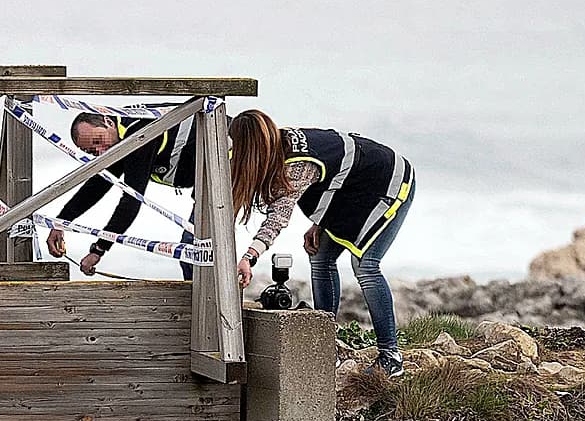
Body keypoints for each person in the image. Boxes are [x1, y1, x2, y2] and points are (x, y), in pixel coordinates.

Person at [229, 109, 415, 378]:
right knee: (320, 256)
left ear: (250, 149)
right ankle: (326, 346)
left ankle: (391, 356)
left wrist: (249, 257)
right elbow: (335, 175)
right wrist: (321, 220)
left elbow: (279, 217)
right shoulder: (276, 146)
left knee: (365, 265)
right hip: (351, 188)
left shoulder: (294, 165)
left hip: (388, 181)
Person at [44, 111, 203, 278]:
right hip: (208, 177)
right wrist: (61, 222)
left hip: (227, 161)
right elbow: (97, 186)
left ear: (108, 122)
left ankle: (211, 303)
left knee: (193, 254)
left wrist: (98, 250)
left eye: (98, 141)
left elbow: (131, 200)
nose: (101, 151)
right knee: (192, 255)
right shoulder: (118, 137)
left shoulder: (139, 134)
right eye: (92, 151)